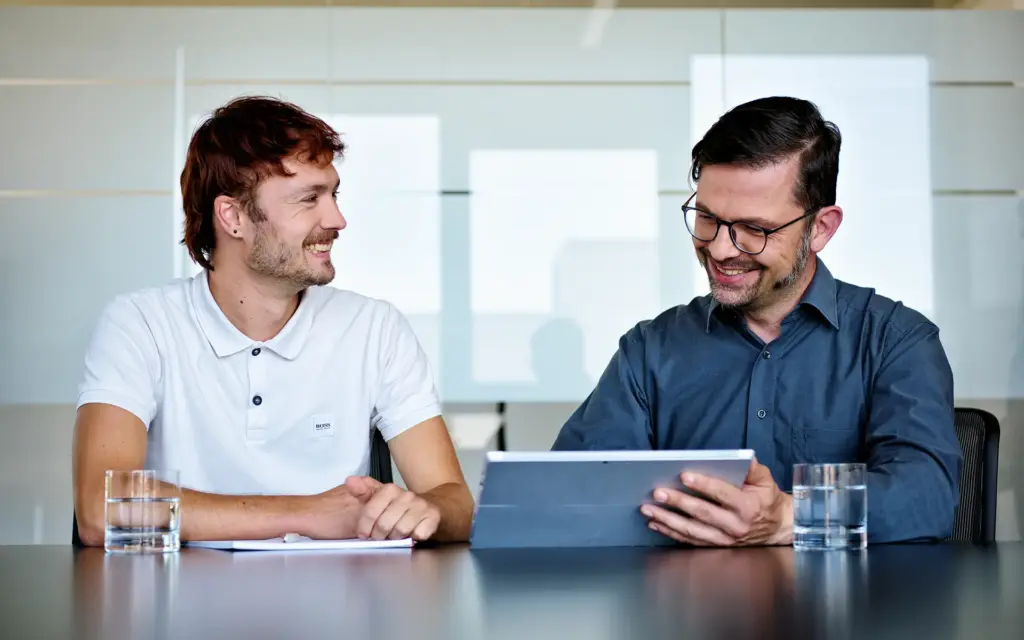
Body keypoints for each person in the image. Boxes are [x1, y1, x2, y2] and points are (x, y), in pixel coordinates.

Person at [552, 96, 961, 545]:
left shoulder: (895, 341)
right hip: (683, 592)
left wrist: (791, 516)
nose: (720, 249)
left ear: (820, 228)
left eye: (755, 229)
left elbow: (928, 497)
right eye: (707, 218)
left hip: (845, 594)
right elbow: (570, 493)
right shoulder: (650, 350)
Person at [72, 96, 473, 546]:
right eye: (309, 199)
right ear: (233, 217)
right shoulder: (141, 324)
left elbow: (456, 502)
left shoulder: (375, 328)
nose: (337, 219)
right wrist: (309, 514)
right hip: (182, 591)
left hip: (341, 591)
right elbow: (100, 510)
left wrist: (427, 511)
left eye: (333, 194)